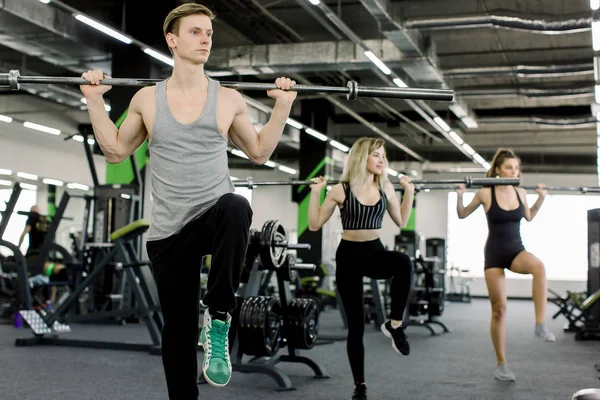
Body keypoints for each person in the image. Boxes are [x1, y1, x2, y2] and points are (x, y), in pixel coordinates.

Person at [78, 3, 297, 399]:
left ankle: (217, 315)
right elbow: (114, 151)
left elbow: (260, 152)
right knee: (176, 329)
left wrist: (282, 106)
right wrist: (95, 99)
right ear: (172, 39)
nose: (206, 39)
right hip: (168, 231)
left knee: (237, 206)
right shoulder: (147, 99)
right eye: (196, 31)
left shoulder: (228, 99)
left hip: (212, 218)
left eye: (209, 33)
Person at [308, 137, 415, 400]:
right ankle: (360, 385)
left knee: (403, 263)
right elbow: (314, 224)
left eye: (383, 156)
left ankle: (395, 324)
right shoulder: (340, 189)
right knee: (356, 327)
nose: (382, 160)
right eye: (376, 155)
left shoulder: (385, 186)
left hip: (374, 253)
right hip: (349, 258)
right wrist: (315, 193)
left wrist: (409, 193)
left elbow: (401, 221)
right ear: (361, 158)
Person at [455, 148, 555, 382]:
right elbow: (462, 214)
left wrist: (540, 199)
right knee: (499, 310)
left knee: (538, 266)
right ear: (498, 170)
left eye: (517, 168)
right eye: (509, 167)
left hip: (516, 250)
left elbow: (529, 216)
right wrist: (459, 195)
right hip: (494, 254)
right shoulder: (485, 192)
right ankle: (501, 364)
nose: (514, 171)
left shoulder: (520, 191)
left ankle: (540, 324)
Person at [18, 205, 67, 304]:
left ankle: (28, 300)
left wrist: (18, 248)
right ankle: (49, 302)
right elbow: (51, 236)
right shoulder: (46, 221)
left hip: (33, 254)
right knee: (48, 275)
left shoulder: (32, 218)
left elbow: (25, 232)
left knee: (27, 275)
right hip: (45, 255)